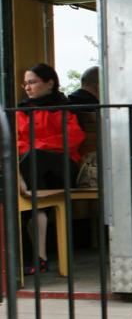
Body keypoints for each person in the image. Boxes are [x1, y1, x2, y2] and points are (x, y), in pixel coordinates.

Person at [17, 63, 85, 275]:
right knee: (35, 187)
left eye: (32, 82)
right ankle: (40, 258)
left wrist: (38, 146)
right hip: (34, 172)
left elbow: (72, 139)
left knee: (33, 159)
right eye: (25, 83)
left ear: (49, 83)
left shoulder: (65, 108)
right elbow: (14, 142)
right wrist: (37, 147)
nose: (27, 88)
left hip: (62, 169)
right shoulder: (22, 110)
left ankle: (14, 197)